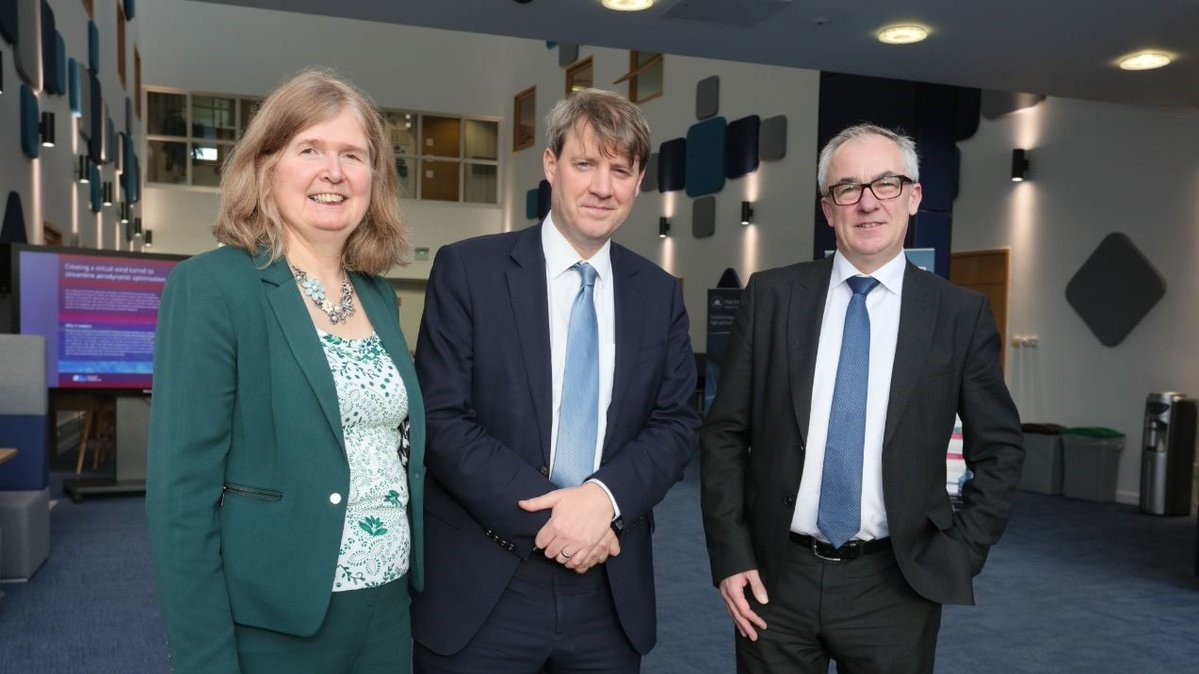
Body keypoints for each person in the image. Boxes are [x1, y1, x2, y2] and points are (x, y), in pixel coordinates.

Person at [700, 123, 1024, 673]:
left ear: (915, 196)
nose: (867, 203)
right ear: (828, 208)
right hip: (776, 578)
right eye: (847, 188)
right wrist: (732, 556)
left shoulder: (957, 315)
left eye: (887, 184)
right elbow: (725, 434)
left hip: (896, 582)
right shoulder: (772, 297)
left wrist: (961, 551)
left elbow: (1000, 450)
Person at [145, 70, 425, 674]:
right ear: (266, 166)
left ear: (374, 179)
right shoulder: (214, 286)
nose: (335, 172)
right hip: (277, 616)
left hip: (386, 606)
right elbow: (181, 500)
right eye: (310, 150)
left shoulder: (378, 296)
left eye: (354, 155)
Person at [412, 88, 699, 673]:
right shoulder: (469, 270)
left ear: (638, 181)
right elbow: (442, 420)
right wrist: (564, 521)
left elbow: (675, 425)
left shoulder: (659, 293)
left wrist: (603, 500)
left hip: (608, 589)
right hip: (486, 582)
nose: (602, 186)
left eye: (620, 170)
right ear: (550, 165)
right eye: (585, 164)